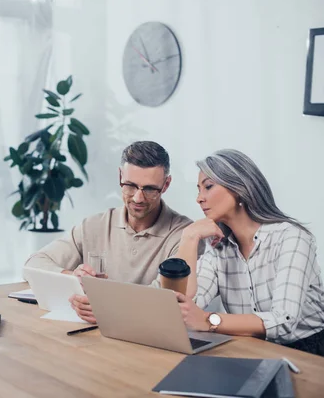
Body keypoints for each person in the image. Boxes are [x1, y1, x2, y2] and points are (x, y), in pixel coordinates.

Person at [25, 141, 201, 323]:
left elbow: (168, 298)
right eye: (130, 185)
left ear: (166, 185)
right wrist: (72, 278)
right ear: (120, 177)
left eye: (149, 189)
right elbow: (33, 264)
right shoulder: (94, 225)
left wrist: (108, 308)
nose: (138, 198)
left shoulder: (185, 235)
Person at [173, 149, 324, 356]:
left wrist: (209, 320)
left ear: (239, 188)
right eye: (198, 190)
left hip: (309, 351)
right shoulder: (219, 250)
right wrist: (189, 238)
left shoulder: (291, 237)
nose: (199, 198)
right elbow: (185, 305)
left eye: (208, 187)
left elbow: (284, 320)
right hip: (252, 349)